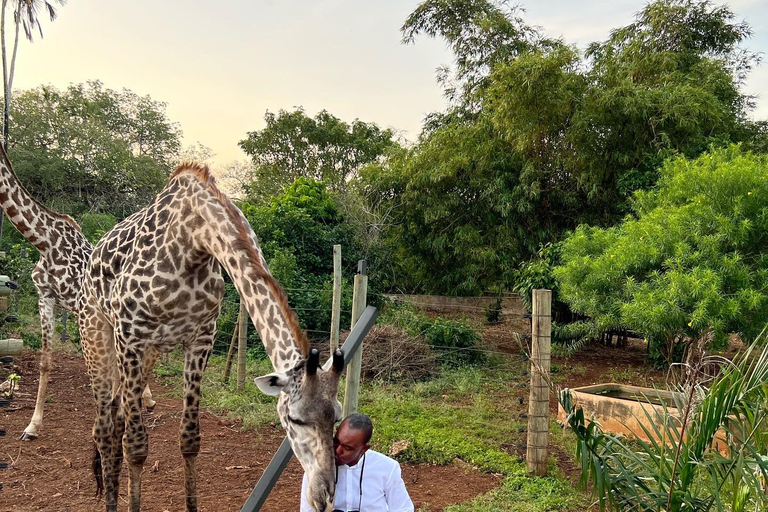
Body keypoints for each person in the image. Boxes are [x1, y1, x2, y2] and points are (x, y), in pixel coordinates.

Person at [300, 413, 414, 512]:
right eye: (336, 442)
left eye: (347, 448)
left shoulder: (387, 468)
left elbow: (403, 509)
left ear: (363, 449)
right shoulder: (317, 469)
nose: (338, 451)